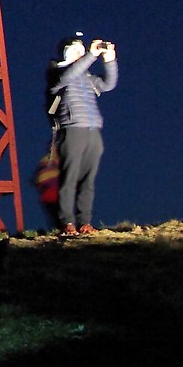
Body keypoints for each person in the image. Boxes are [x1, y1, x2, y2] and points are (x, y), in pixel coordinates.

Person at [45, 34, 119, 238]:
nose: (81, 53)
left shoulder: (87, 77)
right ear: (66, 53)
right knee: (69, 178)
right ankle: (67, 222)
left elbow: (108, 84)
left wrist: (110, 61)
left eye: (82, 50)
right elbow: (67, 77)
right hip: (72, 129)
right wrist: (91, 56)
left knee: (88, 179)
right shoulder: (57, 72)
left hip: (93, 130)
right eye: (76, 50)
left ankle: (85, 222)